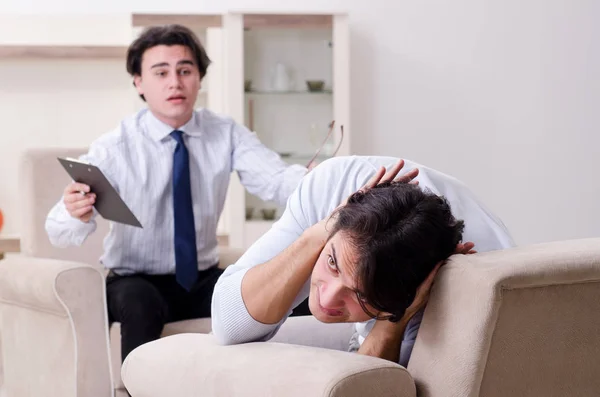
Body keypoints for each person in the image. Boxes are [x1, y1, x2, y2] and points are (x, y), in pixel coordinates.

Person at [45, 24, 309, 364]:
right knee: (140, 301)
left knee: (291, 293)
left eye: (185, 70)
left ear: (199, 77)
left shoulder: (224, 133)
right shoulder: (116, 146)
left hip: (202, 280)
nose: (175, 82)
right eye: (161, 72)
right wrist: (74, 210)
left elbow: (275, 180)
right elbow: (58, 231)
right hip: (134, 280)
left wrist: (316, 181)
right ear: (139, 82)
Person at [211, 156, 514, 366]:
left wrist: (392, 324)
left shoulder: (453, 284)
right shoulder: (331, 187)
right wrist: (321, 232)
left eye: (362, 294)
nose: (327, 297)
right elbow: (228, 325)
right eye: (332, 263)